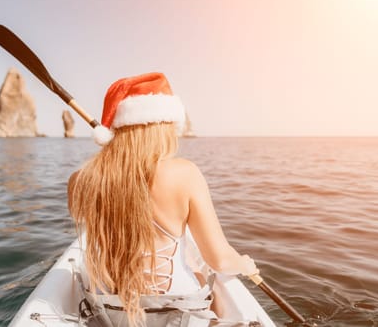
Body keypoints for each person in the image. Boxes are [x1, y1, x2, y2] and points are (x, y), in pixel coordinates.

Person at [68, 72, 259, 326]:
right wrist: (244, 264)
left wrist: (112, 157)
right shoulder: (185, 173)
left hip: (108, 309)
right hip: (174, 311)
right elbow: (219, 259)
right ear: (162, 125)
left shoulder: (81, 179)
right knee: (204, 278)